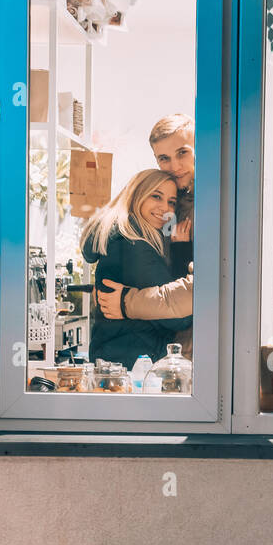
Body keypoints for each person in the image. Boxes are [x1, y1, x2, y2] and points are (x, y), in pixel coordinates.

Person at [96, 114, 196, 343]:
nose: (175, 166)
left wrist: (126, 302)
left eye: (182, 152)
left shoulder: (214, 206)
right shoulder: (172, 208)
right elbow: (159, 268)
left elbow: (202, 288)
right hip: (169, 347)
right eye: (164, 158)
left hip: (197, 341)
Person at [82, 169, 193, 368]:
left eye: (171, 202)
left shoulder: (126, 239)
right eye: (156, 196)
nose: (165, 208)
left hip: (119, 358)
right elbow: (178, 317)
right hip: (131, 365)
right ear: (136, 195)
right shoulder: (134, 246)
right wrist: (182, 252)